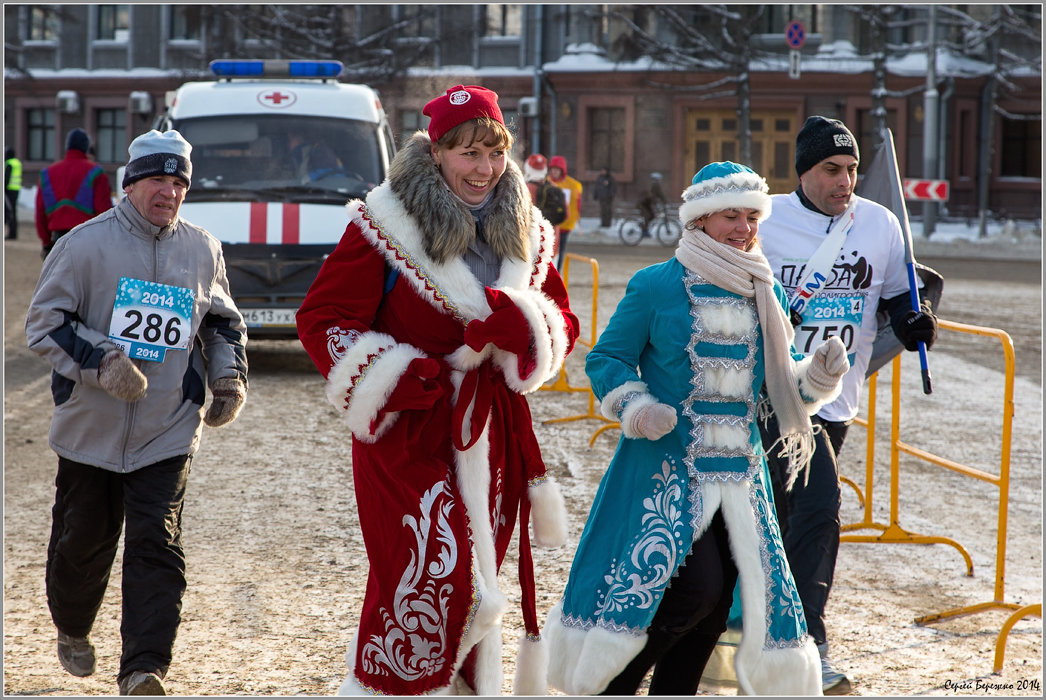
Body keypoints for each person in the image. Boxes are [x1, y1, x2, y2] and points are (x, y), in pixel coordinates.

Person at [295, 85, 580, 696]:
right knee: (435, 583)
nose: (483, 169)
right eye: (467, 153)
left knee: (479, 582)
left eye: (493, 153)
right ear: (437, 154)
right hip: (408, 433)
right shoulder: (384, 223)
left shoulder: (527, 227)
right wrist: (396, 374)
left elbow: (561, 317)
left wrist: (526, 325)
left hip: (492, 437)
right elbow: (322, 318)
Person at [543, 161, 850, 696]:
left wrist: (817, 374)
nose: (743, 228)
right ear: (700, 220)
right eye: (730, 216)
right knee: (695, 591)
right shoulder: (656, 286)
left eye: (752, 217)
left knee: (717, 604)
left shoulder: (766, 291)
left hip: (741, 477)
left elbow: (778, 385)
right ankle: (612, 686)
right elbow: (608, 359)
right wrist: (637, 407)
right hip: (665, 470)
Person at [25, 129, 249, 697]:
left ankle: (143, 669)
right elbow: (44, 325)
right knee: (83, 544)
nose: (168, 192)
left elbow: (221, 321)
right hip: (90, 429)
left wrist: (226, 377)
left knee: (157, 545)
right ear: (131, 184)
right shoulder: (83, 245)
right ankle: (72, 627)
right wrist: (102, 361)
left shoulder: (202, 247)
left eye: (179, 183)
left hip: (167, 428)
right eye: (158, 180)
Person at [757, 116, 939, 695]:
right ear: (804, 172)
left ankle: (761, 635)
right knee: (816, 510)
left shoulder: (879, 223)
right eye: (832, 169)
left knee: (788, 522)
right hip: (769, 396)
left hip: (836, 402)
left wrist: (914, 321)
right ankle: (808, 648)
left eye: (853, 169)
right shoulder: (765, 219)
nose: (845, 180)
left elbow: (898, 296)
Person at [35, 128, 113, 258]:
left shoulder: (47, 174)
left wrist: (46, 243)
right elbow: (104, 211)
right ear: (86, 147)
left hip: (58, 240)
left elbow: (40, 213)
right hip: (89, 240)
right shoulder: (96, 172)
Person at [547, 154, 582, 269]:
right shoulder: (545, 182)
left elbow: (576, 205)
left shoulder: (573, 185)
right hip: (549, 224)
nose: (554, 172)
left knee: (560, 251)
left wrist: (574, 220)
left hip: (564, 225)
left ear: (562, 171)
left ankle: (557, 271)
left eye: (557, 170)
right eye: (552, 169)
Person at [637, 171, 666, 235]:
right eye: (659, 179)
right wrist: (661, 203)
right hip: (643, 204)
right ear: (656, 179)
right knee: (647, 216)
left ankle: (645, 229)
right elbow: (654, 197)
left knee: (652, 216)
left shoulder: (655, 186)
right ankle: (644, 231)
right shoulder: (654, 186)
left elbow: (660, 195)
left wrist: (664, 202)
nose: (660, 181)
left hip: (647, 204)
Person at [6, 145, 22, 239]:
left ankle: (11, 233)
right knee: (13, 212)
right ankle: (14, 232)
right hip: (16, 189)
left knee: (9, 212)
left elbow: (6, 179)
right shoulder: (17, 163)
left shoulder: (9, 163)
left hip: (9, 191)